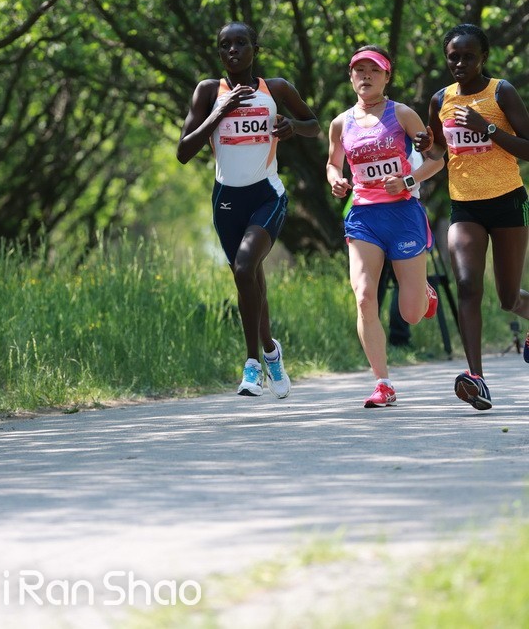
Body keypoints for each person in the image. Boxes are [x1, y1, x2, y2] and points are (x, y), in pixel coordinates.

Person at [176, 21, 320, 398]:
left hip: (266, 194)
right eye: (225, 45)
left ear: (256, 48)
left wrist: (293, 127)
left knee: (245, 265)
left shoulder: (276, 88)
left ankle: (253, 364)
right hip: (226, 199)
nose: (233, 51)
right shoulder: (209, 91)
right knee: (249, 277)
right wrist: (219, 112)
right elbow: (183, 152)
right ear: (219, 52)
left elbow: (313, 124)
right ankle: (272, 350)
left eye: (241, 43)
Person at [416, 24, 529, 410]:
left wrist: (489, 127)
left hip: (508, 201)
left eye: (468, 56)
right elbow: (440, 152)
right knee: (466, 285)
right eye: (453, 56)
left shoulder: (501, 92)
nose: (459, 63)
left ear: (483, 58)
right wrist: (429, 146)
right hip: (465, 205)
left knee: (509, 297)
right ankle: (477, 378)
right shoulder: (439, 100)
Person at [327, 45, 444, 408]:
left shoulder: (403, 114)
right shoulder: (340, 123)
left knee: (410, 313)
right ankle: (383, 382)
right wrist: (336, 180)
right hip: (363, 216)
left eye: (373, 71)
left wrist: (408, 181)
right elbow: (332, 164)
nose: (365, 76)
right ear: (350, 78)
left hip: (404, 215)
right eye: (358, 70)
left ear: (386, 76)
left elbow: (437, 159)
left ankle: (424, 292)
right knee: (364, 296)